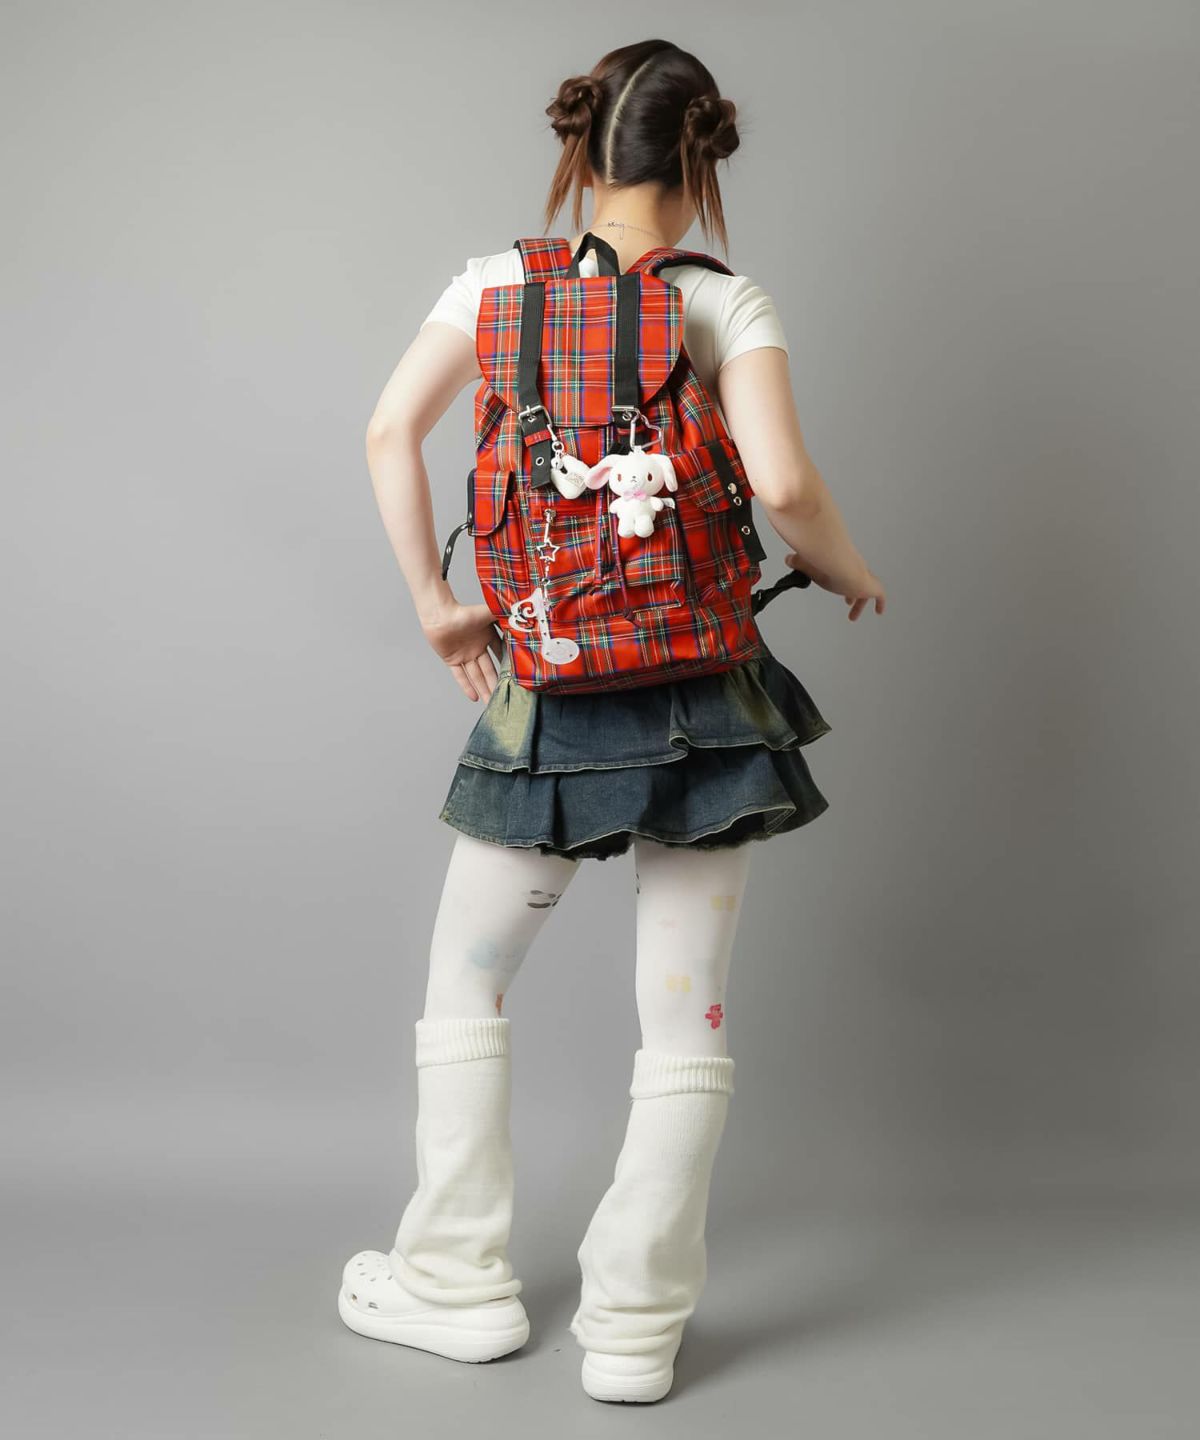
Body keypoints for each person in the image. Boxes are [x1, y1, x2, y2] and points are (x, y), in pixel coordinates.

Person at [338, 38, 886, 1405]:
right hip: (707, 698)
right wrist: (846, 567)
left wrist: (439, 607)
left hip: (550, 688)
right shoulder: (724, 299)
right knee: (685, 1017)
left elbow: (388, 432)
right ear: (706, 159)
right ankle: (637, 1327)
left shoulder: (494, 285)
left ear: (581, 149)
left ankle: (455, 1282)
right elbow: (784, 486)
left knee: (468, 983)